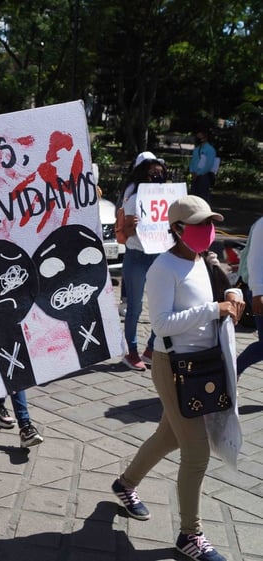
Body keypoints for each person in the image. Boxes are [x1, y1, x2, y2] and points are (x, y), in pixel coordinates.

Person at [112, 195, 244, 561]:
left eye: (210, 223)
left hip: (203, 363)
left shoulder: (203, 260)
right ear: (177, 229)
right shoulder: (162, 268)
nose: (207, 231)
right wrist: (212, 309)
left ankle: (125, 484)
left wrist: (231, 293)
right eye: (199, 225)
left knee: (168, 436)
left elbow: (223, 288)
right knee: (197, 452)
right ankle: (190, 535)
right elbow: (160, 325)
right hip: (173, 367)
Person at [119, 151, 167, 371]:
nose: (156, 176)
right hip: (137, 255)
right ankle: (131, 352)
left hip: (158, 255)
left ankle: (149, 350)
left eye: (159, 172)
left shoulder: (165, 195)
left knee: (162, 305)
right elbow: (126, 231)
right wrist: (135, 225)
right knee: (135, 308)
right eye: (152, 172)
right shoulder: (134, 194)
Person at [237, 216, 263, 377]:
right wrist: (258, 292)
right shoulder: (262, 225)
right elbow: (255, 259)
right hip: (260, 292)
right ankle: (231, 372)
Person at [189, 129, 217, 204]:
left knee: (203, 198)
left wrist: (198, 173)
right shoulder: (196, 149)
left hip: (204, 176)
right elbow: (192, 161)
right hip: (195, 176)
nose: (199, 139)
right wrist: (192, 171)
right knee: (194, 197)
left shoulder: (210, 149)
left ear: (205, 137)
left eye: (200, 137)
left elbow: (209, 165)